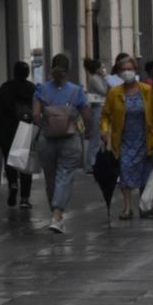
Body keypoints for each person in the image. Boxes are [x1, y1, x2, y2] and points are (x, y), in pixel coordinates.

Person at [33, 53, 91, 234]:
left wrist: (44, 124)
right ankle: (57, 215)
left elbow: (35, 114)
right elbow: (86, 115)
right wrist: (87, 130)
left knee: (50, 177)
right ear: (68, 71)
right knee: (64, 175)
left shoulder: (41, 89)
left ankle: (55, 211)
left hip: (47, 138)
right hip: (70, 138)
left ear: (51, 68)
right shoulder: (76, 91)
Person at [101, 56, 153, 220]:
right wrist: (105, 131)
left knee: (145, 172)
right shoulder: (115, 93)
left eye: (130, 69)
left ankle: (144, 205)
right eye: (123, 69)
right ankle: (127, 207)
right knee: (125, 169)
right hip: (124, 139)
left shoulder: (146, 91)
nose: (127, 72)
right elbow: (106, 115)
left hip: (145, 138)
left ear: (135, 71)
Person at [0, 61, 37, 209]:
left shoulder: (5, 88)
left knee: (10, 161)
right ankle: (24, 198)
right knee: (24, 164)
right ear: (27, 73)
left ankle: (13, 184)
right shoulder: (32, 89)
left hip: (6, 130)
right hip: (24, 128)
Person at [84, 58, 109, 173]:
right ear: (97, 69)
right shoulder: (94, 79)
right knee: (95, 138)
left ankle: (94, 163)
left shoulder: (97, 78)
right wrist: (105, 78)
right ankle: (90, 165)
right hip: (98, 108)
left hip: (101, 107)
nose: (103, 69)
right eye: (101, 67)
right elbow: (104, 91)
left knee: (98, 138)